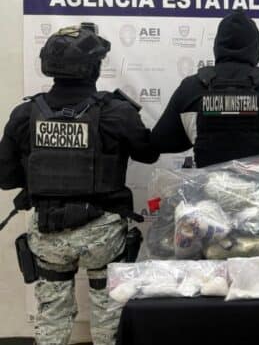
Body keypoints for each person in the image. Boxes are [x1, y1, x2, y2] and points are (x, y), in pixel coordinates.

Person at [0, 23, 159, 345]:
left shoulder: (25, 114)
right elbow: (149, 153)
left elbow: (5, 178)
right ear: (93, 67)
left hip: (49, 232)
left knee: (52, 317)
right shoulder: (116, 111)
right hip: (102, 235)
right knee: (108, 316)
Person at [152, 10, 259, 167]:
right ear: (256, 47)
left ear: (217, 45)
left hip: (206, 183)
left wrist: (198, 135)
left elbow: (160, 140)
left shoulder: (191, 87)